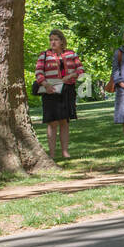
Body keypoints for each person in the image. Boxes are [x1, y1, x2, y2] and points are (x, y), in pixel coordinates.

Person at [35, 29, 82, 160]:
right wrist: (46, 85)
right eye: (51, 40)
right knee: (52, 122)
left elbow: (80, 69)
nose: (53, 42)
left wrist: (70, 76)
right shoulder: (44, 55)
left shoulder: (71, 54)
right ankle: (51, 154)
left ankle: (65, 152)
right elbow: (38, 73)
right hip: (50, 91)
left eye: (55, 39)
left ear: (62, 41)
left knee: (64, 121)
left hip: (67, 90)